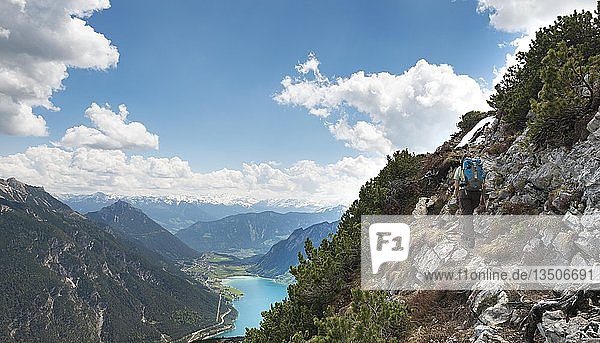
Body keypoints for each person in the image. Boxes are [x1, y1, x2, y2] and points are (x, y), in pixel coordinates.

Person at [453, 155, 486, 248]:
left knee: (467, 216)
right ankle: (466, 234)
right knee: (469, 216)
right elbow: (483, 185)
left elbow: (456, 185)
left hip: (465, 194)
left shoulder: (459, 169)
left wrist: (456, 196)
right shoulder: (478, 169)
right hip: (477, 193)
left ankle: (471, 240)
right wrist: (483, 199)